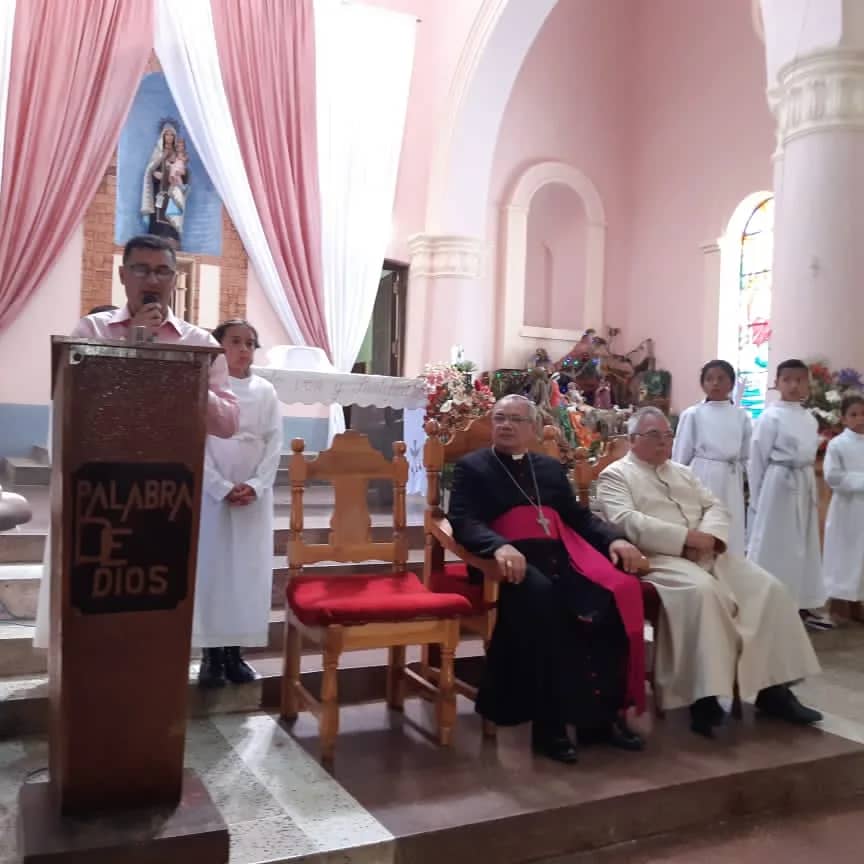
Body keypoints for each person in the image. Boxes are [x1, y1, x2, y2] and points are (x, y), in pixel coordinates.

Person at [32, 234, 238, 649]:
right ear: (123, 275)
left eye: (162, 270)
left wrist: (186, 377)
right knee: (102, 601)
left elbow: (229, 422)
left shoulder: (198, 344)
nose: (152, 278)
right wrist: (134, 345)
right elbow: (77, 402)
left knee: (158, 604)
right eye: (142, 269)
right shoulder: (92, 329)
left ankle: (151, 676)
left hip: (168, 492)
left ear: (174, 279)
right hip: (103, 492)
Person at [597, 407, 822, 737]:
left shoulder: (683, 472)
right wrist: (685, 538)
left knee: (768, 589)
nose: (663, 442)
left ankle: (772, 689)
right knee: (705, 594)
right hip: (659, 559)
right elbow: (626, 521)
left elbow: (715, 505)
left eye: (667, 435)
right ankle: (703, 697)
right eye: (653, 435)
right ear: (632, 440)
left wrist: (710, 538)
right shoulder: (616, 475)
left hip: (708, 553)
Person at [448, 395, 648, 764]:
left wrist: (615, 538)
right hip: (508, 565)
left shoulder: (549, 468)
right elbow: (464, 521)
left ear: (533, 429)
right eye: (499, 418)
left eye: (515, 420)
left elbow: (577, 518)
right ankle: (549, 727)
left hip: (561, 556)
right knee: (548, 606)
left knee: (608, 600)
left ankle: (599, 721)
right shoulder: (472, 467)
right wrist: (499, 547)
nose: (506, 425)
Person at [195, 319, 281, 687]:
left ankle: (236, 654)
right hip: (214, 496)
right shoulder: (205, 390)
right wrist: (219, 486)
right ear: (218, 347)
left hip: (253, 499)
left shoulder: (265, 391)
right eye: (235, 341)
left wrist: (257, 485)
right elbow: (195, 441)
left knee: (246, 574)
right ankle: (211, 657)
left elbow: (275, 441)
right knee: (213, 573)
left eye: (250, 342)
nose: (244, 349)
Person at [747, 359, 829, 629]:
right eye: (788, 380)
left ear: (808, 384)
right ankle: (768, 603)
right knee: (775, 544)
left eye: (800, 380)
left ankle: (799, 601)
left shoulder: (808, 417)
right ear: (777, 383)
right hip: (777, 484)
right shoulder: (770, 416)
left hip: (803, 481)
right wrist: (758, 498)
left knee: (801, 545)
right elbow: (757, 458)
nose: (794, 386)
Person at [672, 360, 751, 557]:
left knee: (730, 522)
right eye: (709, 379)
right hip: (703, 475)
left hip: (731, 477)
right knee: (705, 520)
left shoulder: (741, 416)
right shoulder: (693, 414)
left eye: (721, 378)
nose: (715, 383)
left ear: (731, 384)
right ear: (702, 384)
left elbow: (746, 454)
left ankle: (732, 564)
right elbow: (681, 453)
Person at [821, 394, 864, 621]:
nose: (860, 419)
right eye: (854, 414)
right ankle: (838, 602)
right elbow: (833, 476)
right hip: (846, 509)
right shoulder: (837, 445)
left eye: (863, 414)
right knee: (843, 554)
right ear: (844, 419)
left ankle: (858, 603)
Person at [141, 123, 188, 248]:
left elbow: (184, 173)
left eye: (172, 135)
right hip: (160, 190)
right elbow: (150, 169)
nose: (169, 137)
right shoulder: (158, 151)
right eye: (167, 134)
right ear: (163, 135)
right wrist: (155, 174)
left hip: (173, 190)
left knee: (172, 213)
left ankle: (171, 237)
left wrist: (179, 177)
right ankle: (157, 236)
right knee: (159, 213)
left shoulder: (178, 153)